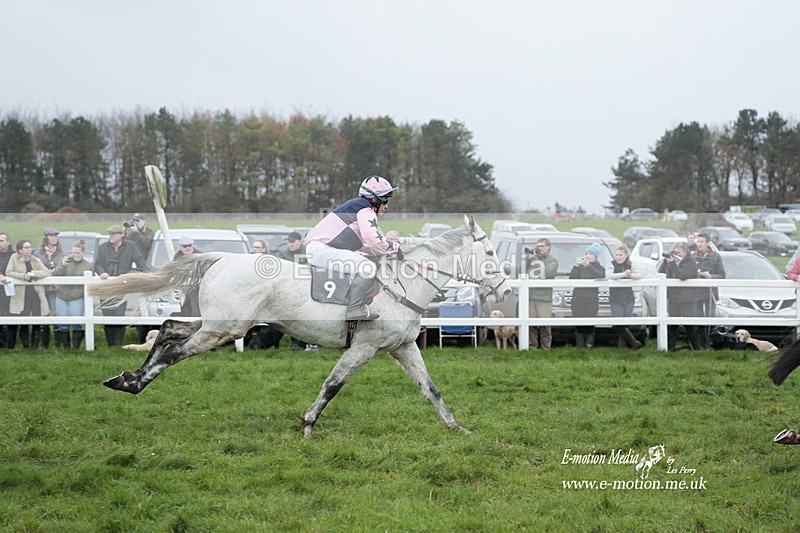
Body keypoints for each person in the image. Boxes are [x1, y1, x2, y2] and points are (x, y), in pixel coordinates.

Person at [305, 175, 401, 321]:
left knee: (366, 261)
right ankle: (354, 309)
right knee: (367, 267)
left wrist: (378, 252)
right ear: (375, 199)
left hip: (323, 248)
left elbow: (364, 244)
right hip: (322, 250)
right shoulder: (365, 210)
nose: (387, 206)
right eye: (385, 200)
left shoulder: (359, 207)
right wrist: (394, 248)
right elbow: (373, 239)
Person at [94, 224, 148, 346]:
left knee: (119, 315)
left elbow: (142, 265)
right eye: (110, 234)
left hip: (122, 287)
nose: (110, 236)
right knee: (107, 315)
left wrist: (129, 275)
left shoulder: (130, 246)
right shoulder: (103, 247)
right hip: (106, 286)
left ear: (121, 235)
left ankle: (118, 345)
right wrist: (102, 272)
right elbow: (97, 264)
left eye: (113, 234)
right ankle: (110, 345)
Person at [5, 240, 51, 348]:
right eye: (26, 247)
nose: (29, 249)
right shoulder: (14, 258)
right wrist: (23, 276)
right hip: (21, 294)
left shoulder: (35, 260)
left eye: (30, 247)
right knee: (23, 316)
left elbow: (46, 272)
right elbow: (9, 272)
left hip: (35, 293)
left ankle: (34, 345)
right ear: (20, 250)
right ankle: (25, 344)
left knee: (36, 316)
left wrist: (34, 273)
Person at [659, 242, 704, 351]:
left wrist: (673, 264)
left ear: (686, 252)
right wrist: (666, 263)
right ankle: (670, 347)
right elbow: (661, 273)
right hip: (674, 297)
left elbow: (683, 276)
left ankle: (696, 348)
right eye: (675, 252)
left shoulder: (691, 262)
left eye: (679, 253)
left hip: (688, 298)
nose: (677, 255)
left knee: (689, 324)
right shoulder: (672, 262)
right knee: (673, 325)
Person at [277, 231, 315, 349]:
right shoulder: (283, 254)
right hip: (287, 289)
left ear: (300, 242)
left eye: (292, 241)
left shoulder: (308, 252)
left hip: (307, 288)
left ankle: (307, 342)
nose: (290, 244)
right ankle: (296, 343)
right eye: (288, 242)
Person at [52, 240, 93, 348]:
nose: (75, 255)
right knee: (63, 323)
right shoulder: (65, 262)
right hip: (62, 295)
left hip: (77, 296)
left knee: (77, 322)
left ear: (83, 253)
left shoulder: (88, 266)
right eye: (74, 253)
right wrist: (62, 266)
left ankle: (75, 347)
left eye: (78, 253)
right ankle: (66, 347)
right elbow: (56, 275)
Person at [32, 228, 66, 348]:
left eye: (55, 235)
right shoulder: (38, 254)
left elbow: (64, 270)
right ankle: (43, 343)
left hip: (55, 289)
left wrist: (55, 271)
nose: (54, 238)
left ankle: (58, 343)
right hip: (41, 288)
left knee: (55, 313)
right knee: (43, 313)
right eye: (51, 236)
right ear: (46, 238)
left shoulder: (62, 254)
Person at [605, 245, 643, 350]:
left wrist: (630, 275)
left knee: (625, 324)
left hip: (629, 298)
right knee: (618, 323)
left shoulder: (631, 264)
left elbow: (639, 275)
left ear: (626, 255)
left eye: (620, 255)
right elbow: (609, 275)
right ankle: (634, 343)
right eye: (616, 255)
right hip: (615, 299)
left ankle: (622, 348)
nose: (618, 257)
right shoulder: (611, 264)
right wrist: (622, 274)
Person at [524, 238, 558, 350]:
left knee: (545, 325)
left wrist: (534, 260)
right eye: (538, 246)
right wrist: (527, 260)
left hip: (544, 298)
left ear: (549, 247)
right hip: (530, 296)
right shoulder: (532, 259)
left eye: (542, 246)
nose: (539, 248)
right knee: (530, 325)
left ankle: (546, 348)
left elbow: (547, 273)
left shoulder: (552, 260)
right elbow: (522, 272)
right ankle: (532, 347)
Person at [569, 243, 605, 348]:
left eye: (591, 254)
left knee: (590, 323)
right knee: (579, 323)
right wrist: (575, 267)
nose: (588, 256)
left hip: (592, 299)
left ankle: (589, 345)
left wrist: (588, 266)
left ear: (596, 257)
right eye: (587, 253)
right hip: (578, 298)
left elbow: (600, 275)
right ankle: (580, 345)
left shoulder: (599, 267)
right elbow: (572, 279)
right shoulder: (580, 266)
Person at [693, 232, 725, 348]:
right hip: (696, 293)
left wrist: (711, 277)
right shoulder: (692, 256)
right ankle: (700, 344)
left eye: (702, 242)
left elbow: (722, 275)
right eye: (698, 242)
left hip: (710, 293)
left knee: (710, 319)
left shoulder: (715, 256)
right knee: (698, 319)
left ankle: (710, 343)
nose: (699, 244)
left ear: (707, 243)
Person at [173, 236, 201, 317]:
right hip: (183, 287)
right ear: (181, 247)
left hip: (198, 286)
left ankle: (195, 317)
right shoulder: (177, 258)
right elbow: (176, 271)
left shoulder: (200, 256)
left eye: (189, 245)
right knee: (185, 306)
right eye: (185, 246)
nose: (188, 248)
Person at [0, 233, 17, 348]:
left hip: (12, 290)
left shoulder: (14, 255)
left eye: (1, 241)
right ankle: (2, 343)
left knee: (12, 314)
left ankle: (11, 344)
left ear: (8, 242)